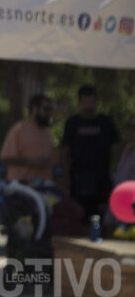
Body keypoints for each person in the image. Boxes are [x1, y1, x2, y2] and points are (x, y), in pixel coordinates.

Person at [61, 85, 120, 221]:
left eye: (91, 101)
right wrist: (65, 178)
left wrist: (117, 172)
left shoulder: (106, 122)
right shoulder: (72, 123)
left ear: (96, 101)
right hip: (79, 177)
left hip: (102, 178)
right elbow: (64, 152)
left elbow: (116, 149)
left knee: (101, 216)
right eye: (85, 101)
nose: (88, 104)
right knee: (80, 214)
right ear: (80, 102)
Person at [0, 94, 59, 183]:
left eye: (50, 110)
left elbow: (54, 161)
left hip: (44, 185)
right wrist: (33, 162)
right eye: (46, 109)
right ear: (35, 109)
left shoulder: (47, 132)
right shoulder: (19, 129)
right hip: (22, 185)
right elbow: (6, 158)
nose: (49, 113)